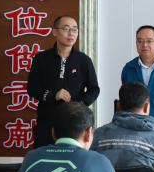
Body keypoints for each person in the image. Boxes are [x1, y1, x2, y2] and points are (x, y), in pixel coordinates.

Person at [27, 15, 100, 147]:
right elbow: (32, 88)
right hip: (47, 122)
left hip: (75, 124)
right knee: (45, 157)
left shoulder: (83, 60)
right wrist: (53, 95)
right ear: (55, 31)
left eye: (74, 29)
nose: (71, 33)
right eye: (66, 29)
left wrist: (78, 103)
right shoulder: (41, 58)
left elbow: (94, 89)